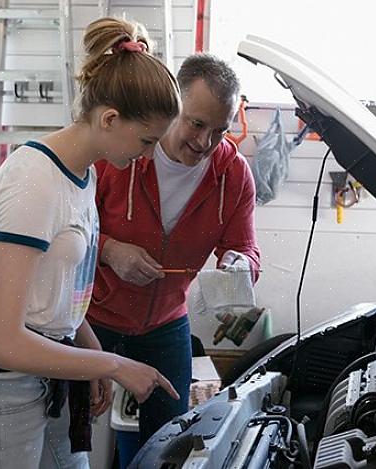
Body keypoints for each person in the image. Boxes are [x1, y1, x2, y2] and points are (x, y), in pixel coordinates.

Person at [0, 18, 181, 469]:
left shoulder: (84, 176)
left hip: (46, 374)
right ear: (110, 118)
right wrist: (112, 367)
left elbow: (55, 292)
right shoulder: (34, 180)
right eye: (146, 140)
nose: (148, 153)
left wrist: (92, 350)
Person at [89, 53, 261, 468]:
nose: (204, 142)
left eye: (219, 130)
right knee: (73, 427)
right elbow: (67, 235)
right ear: (173, 107)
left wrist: (239, 266)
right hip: (91, 317)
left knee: (169, 444)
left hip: (166, 323)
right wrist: (110, 251)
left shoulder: (234, 175)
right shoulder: (119, 154)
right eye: (196, 124)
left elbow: (247, 250)